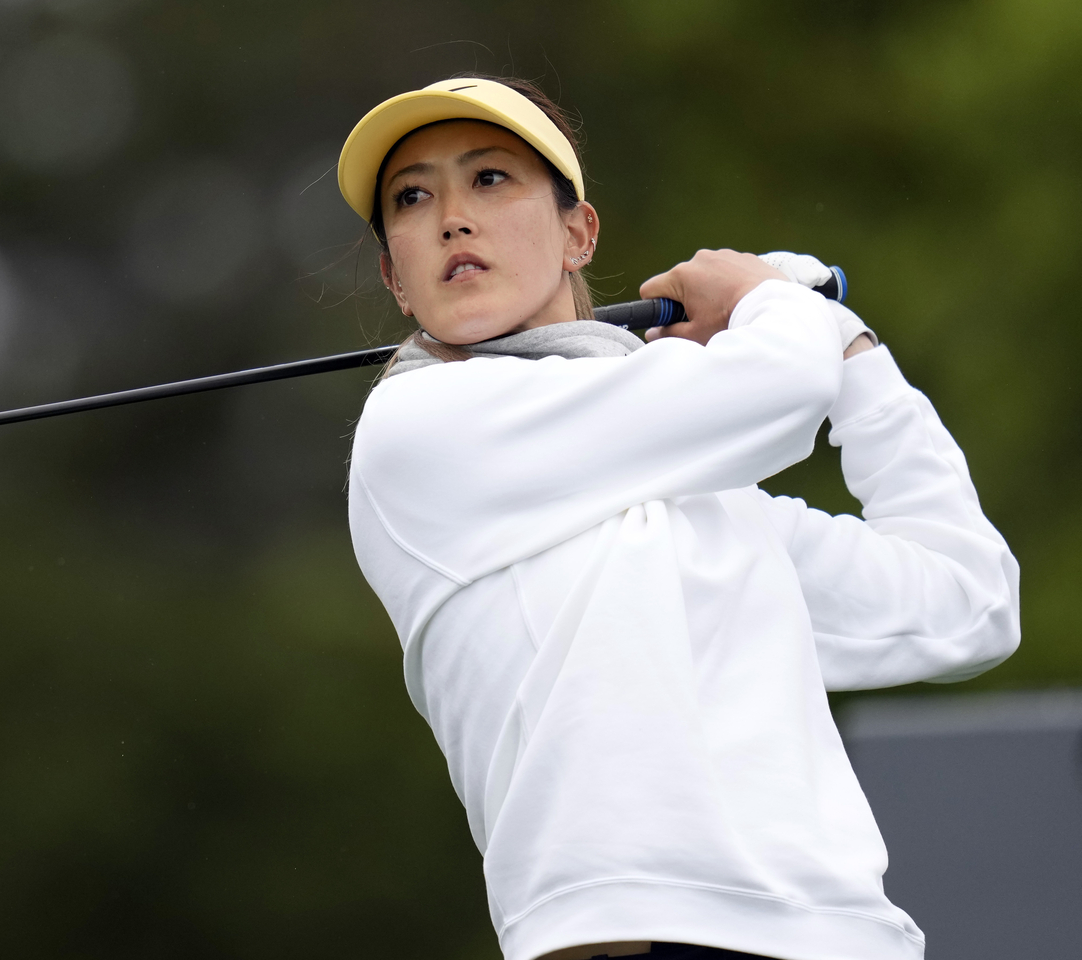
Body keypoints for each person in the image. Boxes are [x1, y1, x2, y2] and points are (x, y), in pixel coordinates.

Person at [337, 77, 1020, 960]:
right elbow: (778, 384)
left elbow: (968, 602)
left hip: (849, 937)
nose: (452, 220)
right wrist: (776, 300)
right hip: (638, 939)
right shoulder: (418, 426)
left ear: (579, 234)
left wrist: (853, 349)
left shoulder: (709, 503)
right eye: (412, 197)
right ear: (396, 278)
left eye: (490, 179)